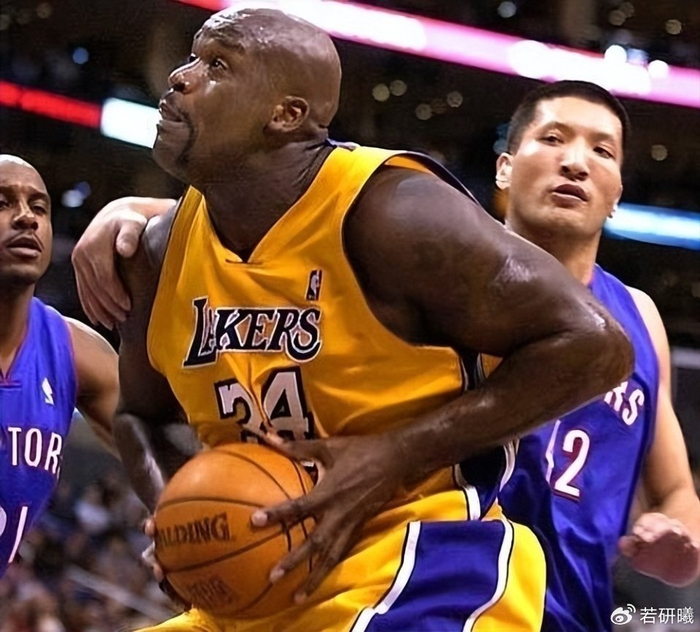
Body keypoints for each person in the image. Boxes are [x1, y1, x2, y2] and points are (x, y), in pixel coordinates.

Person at [71, 9, 633, 632]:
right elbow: (137, 415)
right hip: (260, 588)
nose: (180, 76)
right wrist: (183, 518)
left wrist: (391, 456)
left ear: (286, 114)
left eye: (218, 65)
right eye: (192, 57)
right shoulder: (159, 250)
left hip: (422, 568)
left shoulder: (393, 211)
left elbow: (597, 345)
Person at [493, 81, 700, 631]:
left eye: (602, 150)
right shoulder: (446, 286)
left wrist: (677, 538)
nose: (576, 162)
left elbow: (677, 492)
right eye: (553, 138)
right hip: (445, 606)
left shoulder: (641, 318)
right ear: (505, 169)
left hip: (579, 614)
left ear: (616, 194)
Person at [0, 154, 119, 578]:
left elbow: (165, 449)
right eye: (2, 202)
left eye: (39, 207)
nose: (26, 217)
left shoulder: (75, 351)